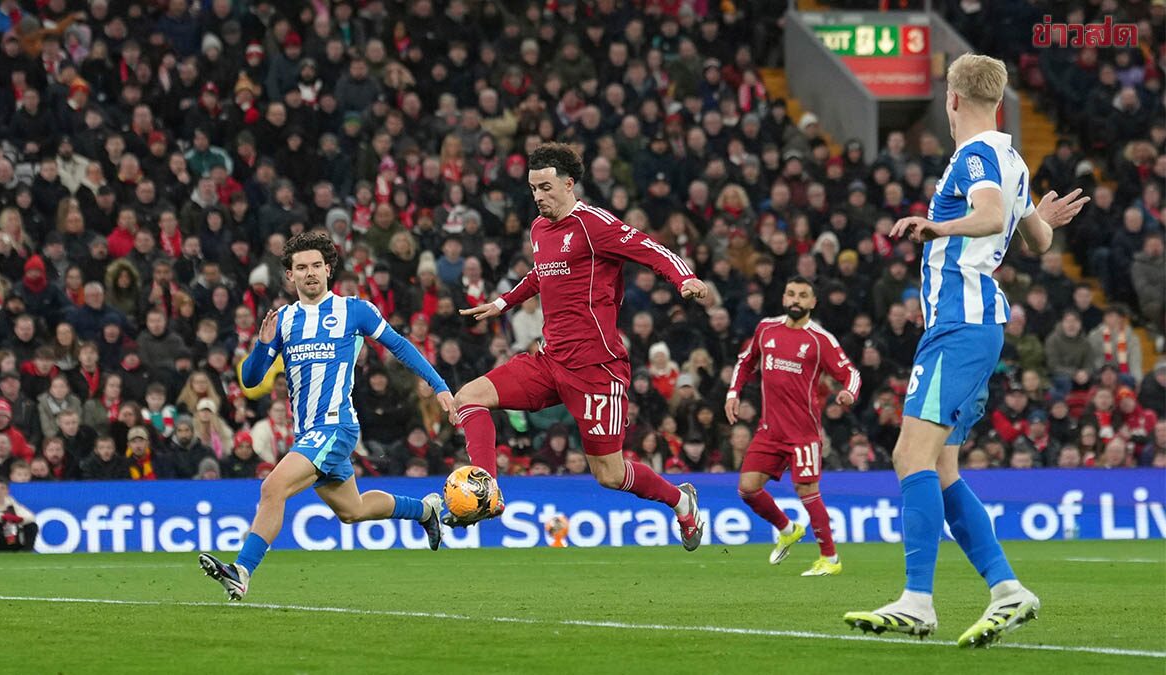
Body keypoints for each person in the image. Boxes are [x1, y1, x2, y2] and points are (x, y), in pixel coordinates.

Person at [844, 54, 1088, 647]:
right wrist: (1043, 217)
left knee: (910, 456)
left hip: (959, 323)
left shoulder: (975, 157)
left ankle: (917, 601)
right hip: (977, 327)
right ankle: (1007, 589)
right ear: (998, 101)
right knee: (942, 465)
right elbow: (1035, 239)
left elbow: (989, 215)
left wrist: (937, 228)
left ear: (952, 100)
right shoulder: (1013, 160)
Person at [452, 143, 709, 551]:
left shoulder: (595, 225)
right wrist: (503, 303)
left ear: (569, 184)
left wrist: (684, 279)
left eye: (546, 187)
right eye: (533, 188)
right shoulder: (539, 229)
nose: (538, 197)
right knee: (469, 397)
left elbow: (648, 248)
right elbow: (543, 274)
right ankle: (488, 490)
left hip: (596, 368)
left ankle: (681, 500)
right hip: (549, 359)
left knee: (608, 474)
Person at [199, 232, 456, 601]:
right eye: (301, 267)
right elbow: (251, 379)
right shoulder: (284, 321)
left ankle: (241, 571)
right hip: (309, 434)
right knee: (353, 510)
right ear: (289, 275)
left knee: (272, 488)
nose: (310, 273)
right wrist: (261, 344)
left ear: (328, 269)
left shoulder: (355, 311)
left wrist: (440, 385)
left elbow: (400, 345)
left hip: (336, 426)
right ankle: (425, 510)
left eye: (316, 265)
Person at [725, 277, 861, 577]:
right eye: (790, 294)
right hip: (769, 430)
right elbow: (745, 362)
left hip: (803, 433)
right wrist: (733, 393)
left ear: (813, 302)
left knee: (806, 489)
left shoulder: (819, 339)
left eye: (802, 295)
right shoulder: (766, 329)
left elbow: (850, 372)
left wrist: (849, 392)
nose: (795, 299)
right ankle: (787, 528)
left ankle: (830, 558)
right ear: (784, 298)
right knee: (747, 489)